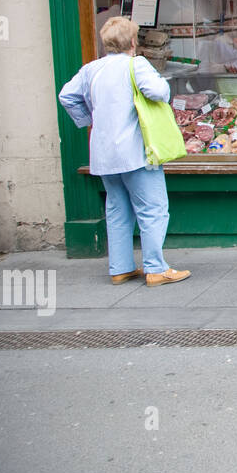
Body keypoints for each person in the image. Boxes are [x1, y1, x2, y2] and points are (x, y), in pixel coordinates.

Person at [58, 17, 190, 287]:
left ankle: (120, 268)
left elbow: (66, 96)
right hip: (135, 152)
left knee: (117, 209)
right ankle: (155, 268)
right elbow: (159, 92)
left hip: (104, 154)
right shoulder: (136, 65)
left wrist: (88, 119)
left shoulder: (90, 69)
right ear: (133, 42)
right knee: (153, 209)